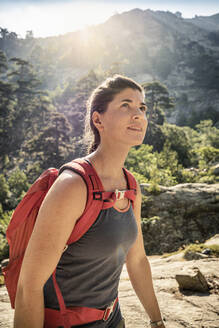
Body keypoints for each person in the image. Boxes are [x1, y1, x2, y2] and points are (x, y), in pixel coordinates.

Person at [14, 75, 166, 328]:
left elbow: (137, 260)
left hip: (114, 318)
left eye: (142, 107)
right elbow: (28, 286)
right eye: (126, 105)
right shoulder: (73, 186)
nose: (138, 114)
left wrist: (157, 321)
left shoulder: (130, 186)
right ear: (98, 120)